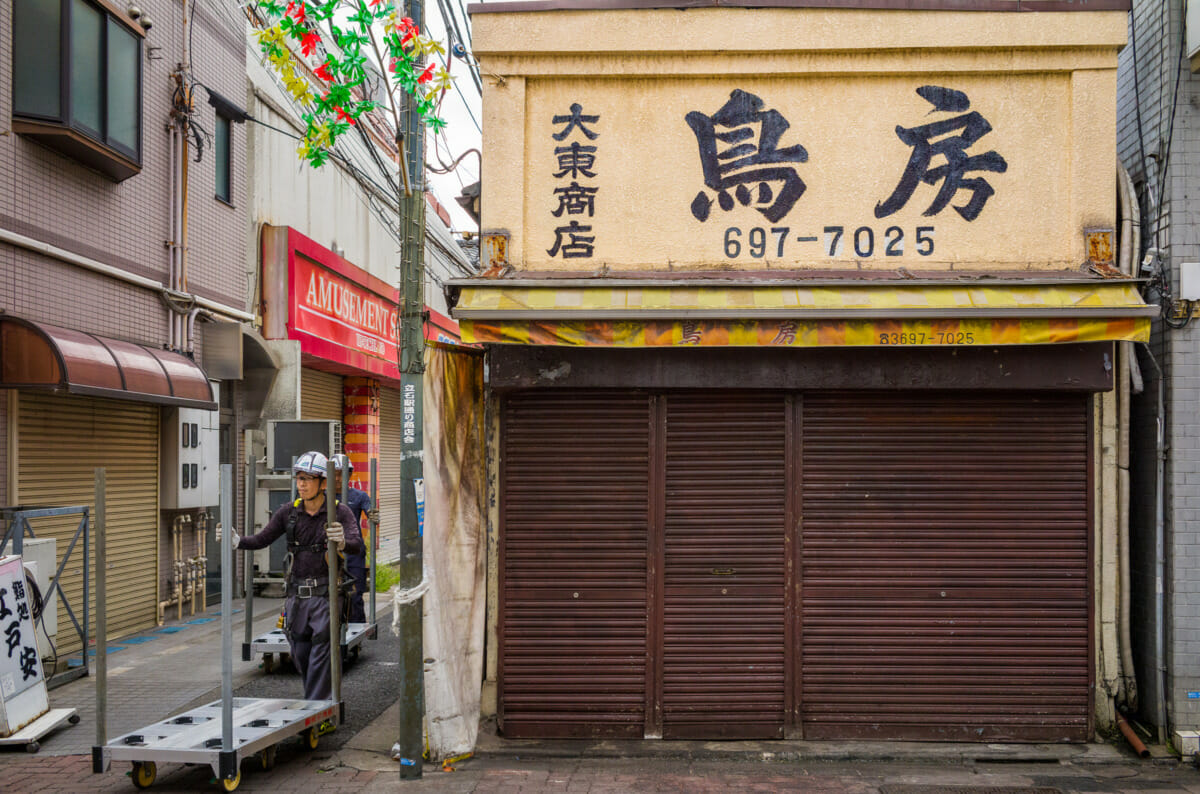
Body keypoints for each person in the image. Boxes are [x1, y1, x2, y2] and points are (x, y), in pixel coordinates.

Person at [220, 450, 360, 706]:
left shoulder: (340, 513)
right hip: (296, 596)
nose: (302, 484)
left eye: (308, 478)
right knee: (300, 650)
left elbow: (356, 544)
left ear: (323, 483)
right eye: (299, 478)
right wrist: (238, 541)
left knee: (321, 648)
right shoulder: (289, 512)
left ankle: (317, 709)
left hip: (327, 594)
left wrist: (343, 542)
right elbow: (262, 539)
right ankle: (321, 700)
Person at [330, 454, 374, 624]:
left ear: (350, 475)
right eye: (335, 473)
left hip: (353, 550)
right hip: (328, 551)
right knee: (328, 593)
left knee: (355, 594)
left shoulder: (359, 496)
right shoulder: (321, 496)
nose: (338, 478)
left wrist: (373, 515)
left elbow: (370, 512)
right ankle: (330, 632)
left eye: (342, 473)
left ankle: (357, 634)